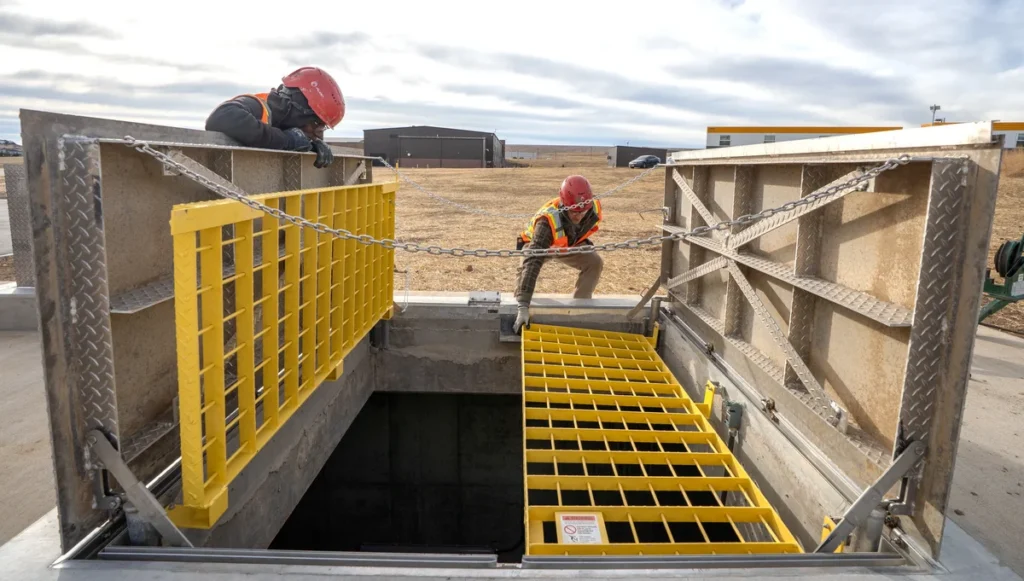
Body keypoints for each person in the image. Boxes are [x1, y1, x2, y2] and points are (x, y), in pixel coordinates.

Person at [513, 175, 604, 333]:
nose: (579, 216)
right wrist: (523, 306)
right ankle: (519, 308)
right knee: (526, 268)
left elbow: (583, 226)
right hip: (538, 245)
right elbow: (534, 260)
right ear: (564, 204)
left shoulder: (592, 208)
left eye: (583, 211)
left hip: (567, 244)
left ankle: (580, 309)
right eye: (574, 212)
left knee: (594, 262)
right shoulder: (547, 221)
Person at [205, 66, 345, 169]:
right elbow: (220, 117)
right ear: (298, 108)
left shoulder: (284, 122)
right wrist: (286, 140)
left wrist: (312, 145)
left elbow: (289, 135)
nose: (318, 134)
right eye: (316, 124)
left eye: (323, 127)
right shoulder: (256, 106)